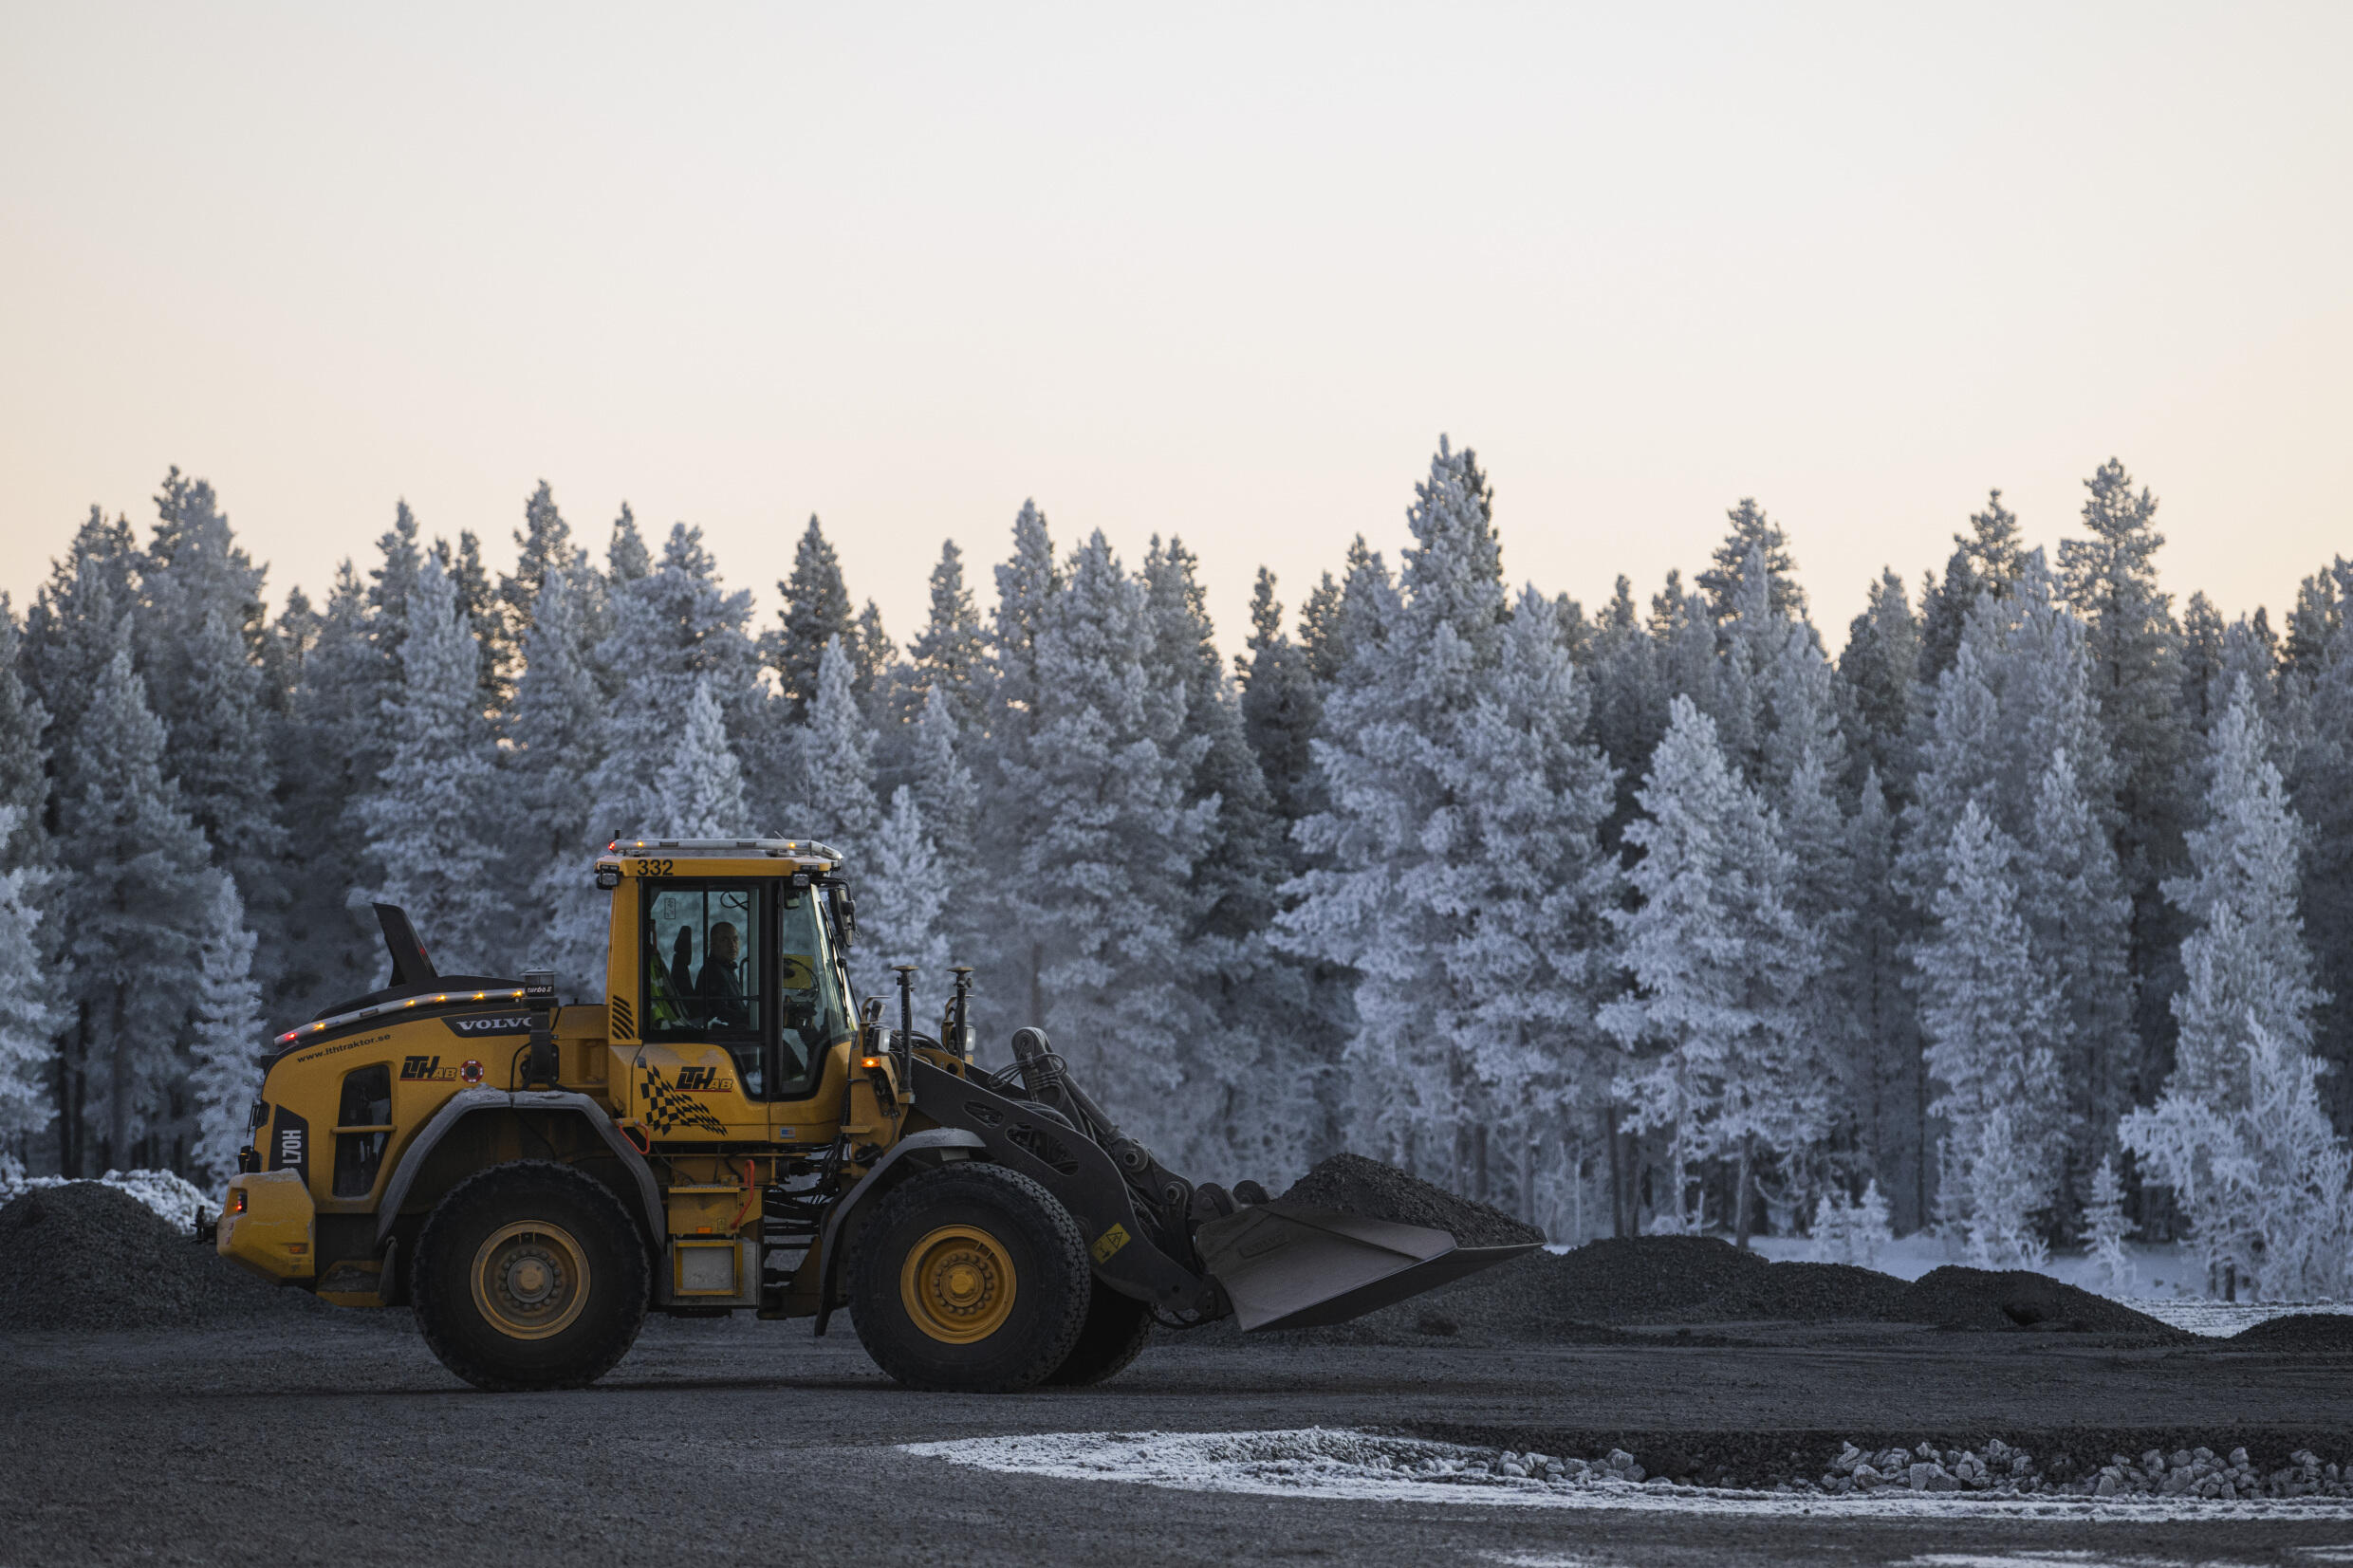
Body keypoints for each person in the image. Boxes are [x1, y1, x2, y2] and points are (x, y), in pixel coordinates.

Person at [695, 921, 745, 1025]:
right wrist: (749, 1017)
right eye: (724, 940)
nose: (732, 945)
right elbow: (720, 1012)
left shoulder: (726, 969)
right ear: (713, 945)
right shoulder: (713, 971)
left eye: (735, 939)